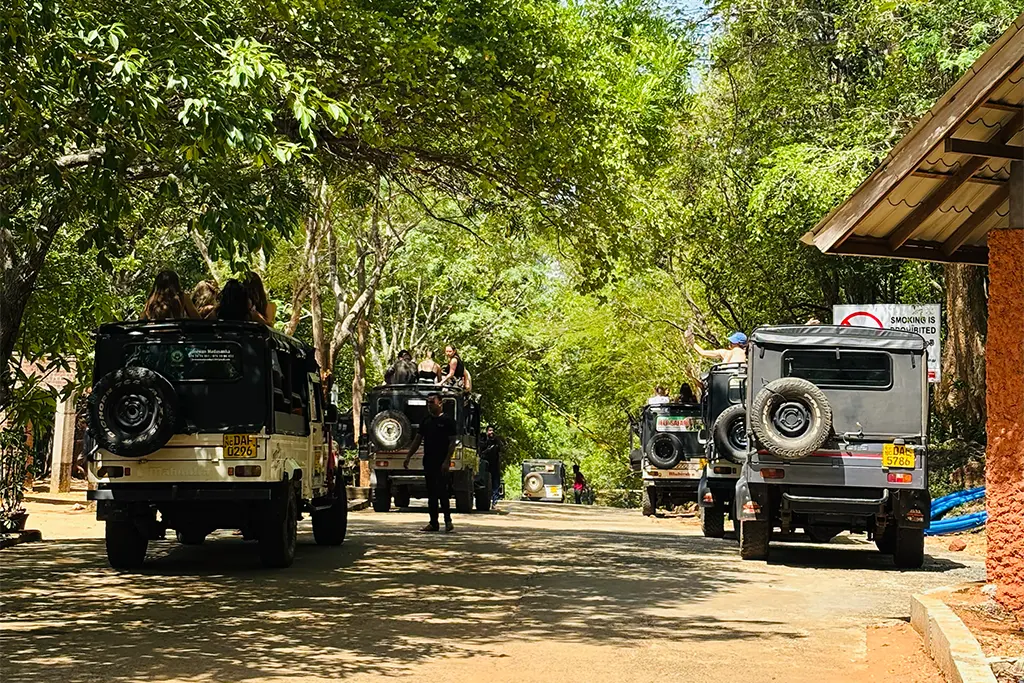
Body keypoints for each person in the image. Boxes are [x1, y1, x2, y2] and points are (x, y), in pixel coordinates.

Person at [403, 394, 457, 532]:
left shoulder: (447, 421)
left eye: (432, 402)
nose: (429, 405)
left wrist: (447, 461)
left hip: (442, 461)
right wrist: (408, 456)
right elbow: (417, 440)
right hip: (429, 461)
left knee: (442, 492)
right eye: (428, 403)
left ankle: (448, 521)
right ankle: (433, 523)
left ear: (440, 404)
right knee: (431, 493)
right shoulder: (426, 421)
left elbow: (452, 442)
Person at [479, 425, 502, 506]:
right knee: (485, 482)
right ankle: (487, 499)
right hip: (485, 464)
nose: (491, 432)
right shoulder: (483, 439)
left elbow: (501, 448)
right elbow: (481, 448)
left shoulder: (496, 440)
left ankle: (495, 500)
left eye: (492, 430)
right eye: (489, 430)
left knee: (496, 482)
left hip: (494, 464)